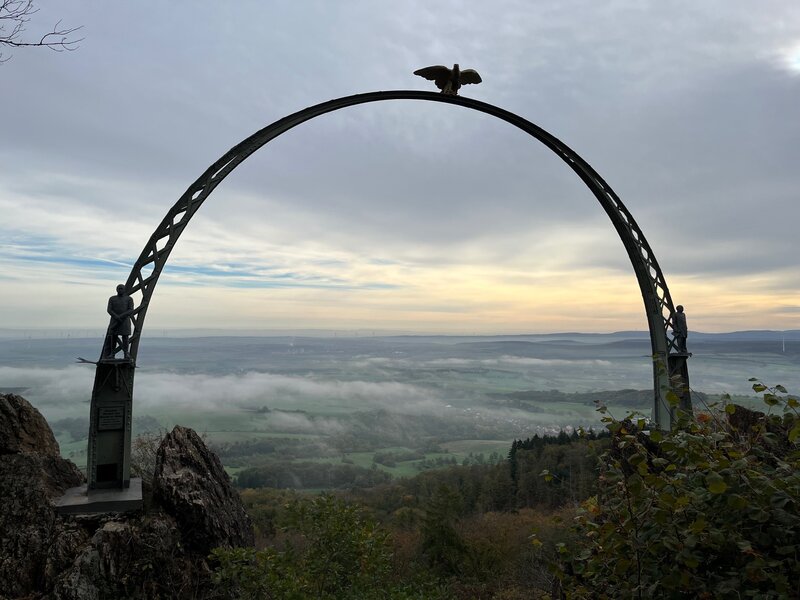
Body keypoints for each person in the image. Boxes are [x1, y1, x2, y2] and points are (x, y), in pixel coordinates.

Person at [106, 284, 134, 359]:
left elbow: (130, 309)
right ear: (116, 290)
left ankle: (126, 353)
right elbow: (109, 309)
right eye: (119, 288)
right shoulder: (112, 299)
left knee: (125, 337)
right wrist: (116, 316)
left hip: (124, 321)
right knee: (113, 337)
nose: (120, 290)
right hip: (114, 320)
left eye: (121, 288)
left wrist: (121, 316)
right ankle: (112, 354)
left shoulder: (129, 299)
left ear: (124, 290)